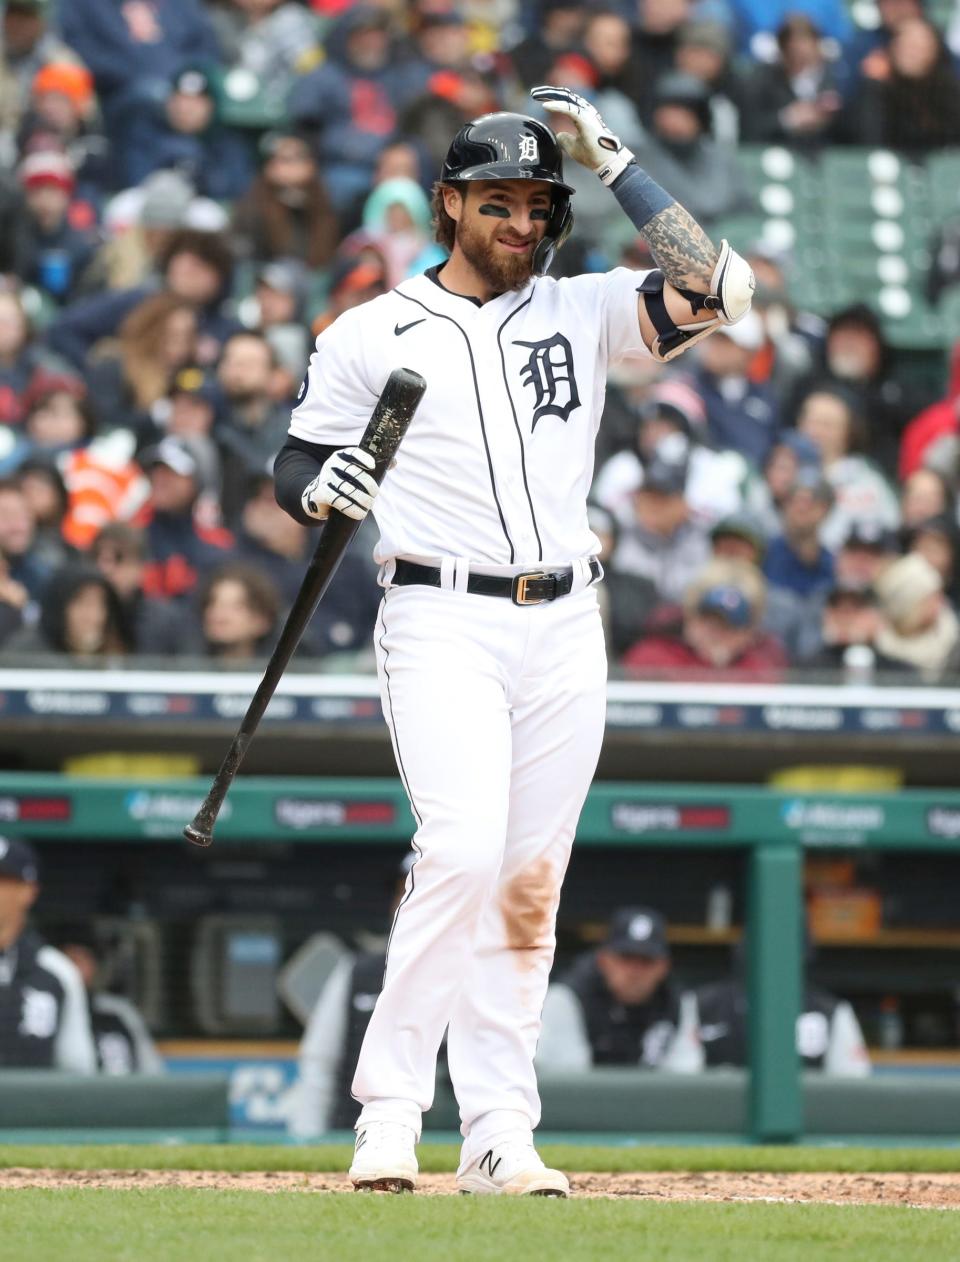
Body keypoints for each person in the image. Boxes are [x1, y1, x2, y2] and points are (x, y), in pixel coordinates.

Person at [273, 88, 755, 1195]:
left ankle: (498, 1127)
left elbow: (718, 289)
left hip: (564, 620)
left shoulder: (583, 308)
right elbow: (295, 460)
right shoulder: (370, 329)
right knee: (459, 848)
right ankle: (388, 1109)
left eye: (539, 202)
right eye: (498, 202)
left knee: (529, 881)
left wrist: (615, 159)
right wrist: (318, 493)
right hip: (441, 613)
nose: (522, 223)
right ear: (449, 204)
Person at [537, 906, 699, 1071]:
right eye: (625, 958)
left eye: (646, 961)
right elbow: (568, 1080)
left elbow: (685, 1074)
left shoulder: (678, 1001)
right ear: (603, 960)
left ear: (664, 966)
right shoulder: (567, 998)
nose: (635, 972)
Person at [685, 940, 871, 1077]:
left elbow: (853, 1087)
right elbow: (681, 1080)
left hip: (805, 1120)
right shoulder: (702, 1004)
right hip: (719, 1119)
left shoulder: (830, 1010)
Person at [0, 835, 97, 1071]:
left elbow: (78, 1071)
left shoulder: (56, 970)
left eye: (2, 880)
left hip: (29, 1107)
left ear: (28, 891)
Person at [624, 557, 787, 681]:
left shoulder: (761, 671)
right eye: (708, 620)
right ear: (690, 615)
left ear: (749, 633)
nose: (715, 634)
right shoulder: (652, 659)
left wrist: (720, 671)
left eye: (729, 626)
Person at [56, 928, 165, 1075]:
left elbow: (152, 1071)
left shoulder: (118, 1012)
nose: (73, 969)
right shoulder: (51, 1010)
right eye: (67, 960)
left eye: (80, 960)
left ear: (94, 965)